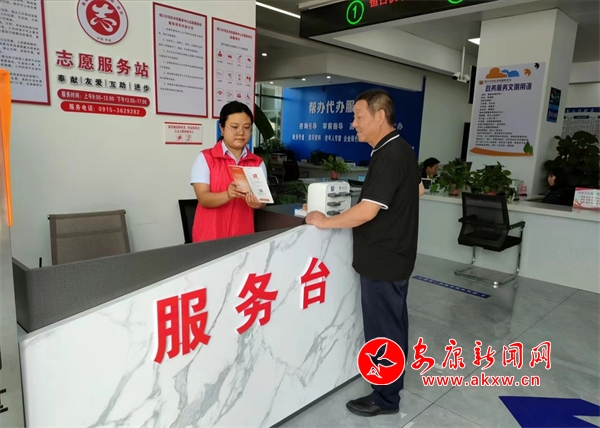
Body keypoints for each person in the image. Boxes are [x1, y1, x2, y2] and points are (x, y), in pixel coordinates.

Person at [306, 88, 423, 417]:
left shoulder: (388, 154)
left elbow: (367, 211)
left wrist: (326, 221)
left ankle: (385, 398)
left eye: (358, 116)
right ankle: (392, 384)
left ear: (379, 116)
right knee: (394, 324)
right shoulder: (402, 148)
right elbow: (418, 190)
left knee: (383, 328)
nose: (354, 123)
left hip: (383, 259)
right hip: (397, 255)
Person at [190, 101, 268, 243]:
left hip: (243, 235)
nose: (241, 133)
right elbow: (203, 198)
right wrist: (227, 195)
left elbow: (262, 199)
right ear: (222, 128)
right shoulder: (205, 158)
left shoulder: (257, 163)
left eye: (246, 127)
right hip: (209, 236)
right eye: (234, 127)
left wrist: (258, 203)